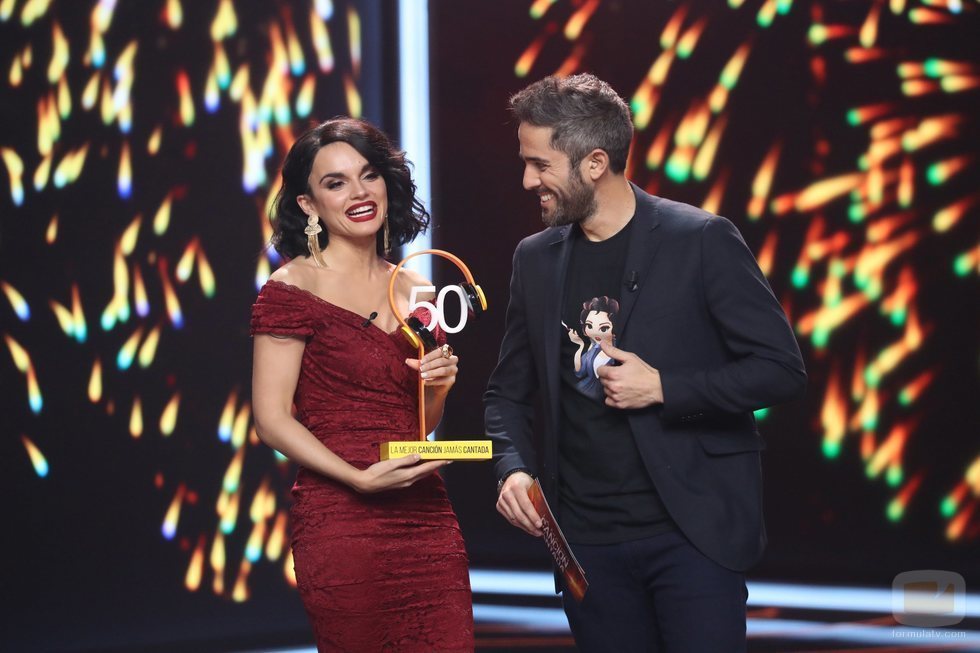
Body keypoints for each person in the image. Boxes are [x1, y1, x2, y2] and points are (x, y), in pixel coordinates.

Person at [486, 74, 806, 652]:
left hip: (691, 537)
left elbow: (780, 367)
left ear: (594, 163)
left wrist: (665, 387)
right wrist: (512, 469)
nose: (528, 179)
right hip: (586, 546)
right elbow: (506, 393)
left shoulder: (701, 239)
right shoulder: (534, 259)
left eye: (539, 164)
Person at [251, 117, 474, 651]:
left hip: (425, 518)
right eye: (335, 182)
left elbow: (421, 421)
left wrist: (437, 387)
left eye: (369, 175)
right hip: (341, 521)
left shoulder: (418, 289)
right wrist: (358, 478)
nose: (358, 193)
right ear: (308, 205)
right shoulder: (292, 287)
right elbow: (272, 419)